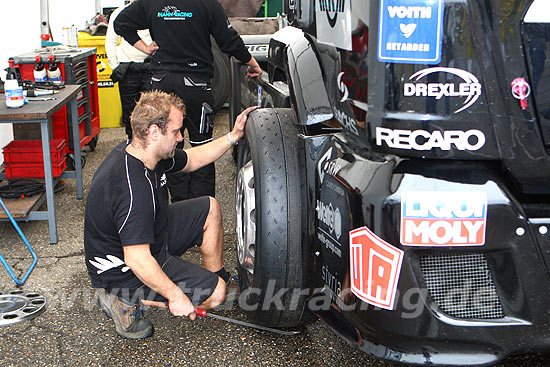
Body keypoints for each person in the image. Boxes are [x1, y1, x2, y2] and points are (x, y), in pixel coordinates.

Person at [84, 90, 257, 339]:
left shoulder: (145, 153)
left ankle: (217, 277)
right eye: (176, 132)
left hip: (153, 234)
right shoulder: (133, 190)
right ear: (154, 132)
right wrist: (176, 296)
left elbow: (193, 159)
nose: (180, 138)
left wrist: (233, 137)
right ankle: (123, 300)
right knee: (216, 295)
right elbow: (137, 259)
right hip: (124, 270)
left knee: (209, 207)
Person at [114, 0, 262, 201]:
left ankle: (178, 206)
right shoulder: (207, 3)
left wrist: (146, 48)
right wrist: (252, 63)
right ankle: (202, 210)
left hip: (161, 83)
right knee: (202, 145)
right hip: (195, 85)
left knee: (169, 146)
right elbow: (228, 40)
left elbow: (121, 23)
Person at [105, 0, 153, 140]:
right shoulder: (119, 13)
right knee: (129, 112)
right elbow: (111, 42)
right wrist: (115, 67)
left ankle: (150, 146)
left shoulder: (153, 11)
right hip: (127, 69)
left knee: (152, 111)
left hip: (150, 67)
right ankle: (131, 142)